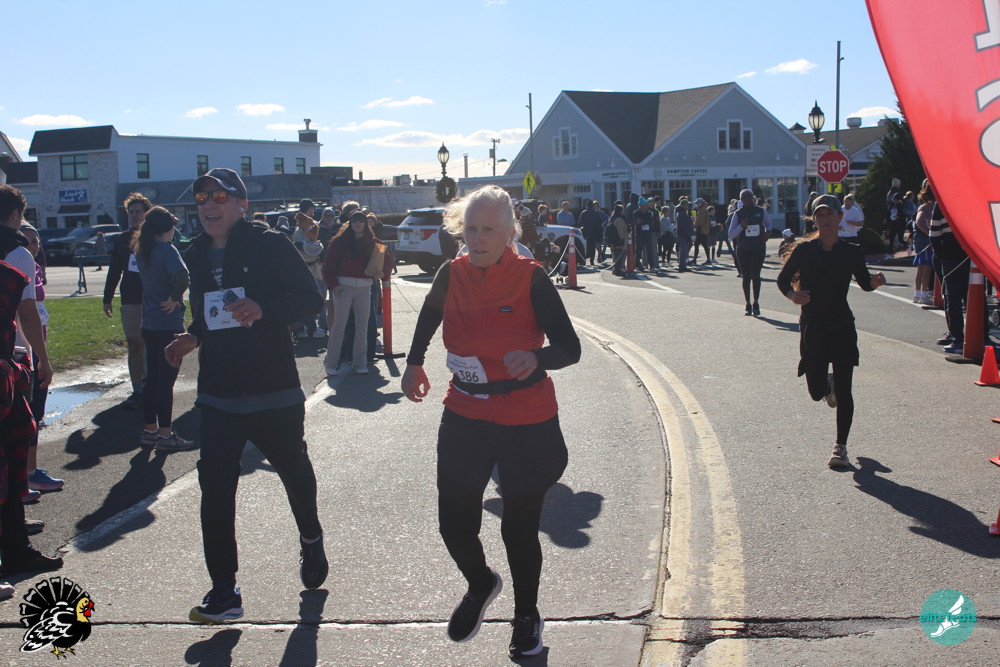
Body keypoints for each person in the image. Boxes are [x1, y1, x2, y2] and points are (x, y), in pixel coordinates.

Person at [401, 185, 580, 660]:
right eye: (471, 229)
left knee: (518, 529)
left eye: (488, 230)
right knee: (454, 523)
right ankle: (481, 583)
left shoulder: (531, 278)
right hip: (465, 410)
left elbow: (570, 348)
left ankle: (526, 615)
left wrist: (537, 357)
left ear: (508, 234)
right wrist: (413, 363)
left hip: (525, 417)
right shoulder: (451, 272)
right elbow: (429, 316)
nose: (477, 238)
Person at [163, 168, 327, 623]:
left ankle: (311, 538)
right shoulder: (195, 253)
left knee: (294, 472)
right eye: (202, 199)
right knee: (215, 489)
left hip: (273, 388)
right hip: (219, 393)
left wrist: (263, 308)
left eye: (220, 197)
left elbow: (310, 299)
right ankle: (224, 591)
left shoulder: (270, 244)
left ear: (242, 205)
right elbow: (210, 313)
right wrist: (193, 336)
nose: (209, 206)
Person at [776, 194, 886, 469]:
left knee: (846, 391)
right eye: (820, 215)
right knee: (815, 392)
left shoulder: (851, 252)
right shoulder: (805, 250)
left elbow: (864, 282)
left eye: (829, 214)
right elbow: (782, 279)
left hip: (841, 326)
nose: (825, 219)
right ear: (814, 219)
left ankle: (841, 447)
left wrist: (874, 282)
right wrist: (792, 295)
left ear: (840, 217)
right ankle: (827, 385)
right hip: (813, 327)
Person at [0, 185, 62, 583]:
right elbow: (26, 312)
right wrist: (42, 358)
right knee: (10, 456)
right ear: (16, 214)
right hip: (9, 364)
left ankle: (16, 545)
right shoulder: (18, 251)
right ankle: (16, 550)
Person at [132, 207, 194, 452]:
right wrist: (174, 297)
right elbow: (183, 276)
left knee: (152, 379)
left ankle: (150, 430)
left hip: (148, 322)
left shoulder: (142, 249)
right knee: (166, 382)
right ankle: (167, 435)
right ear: (167, 229)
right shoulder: (168, 251)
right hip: (168, 322)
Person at [18, 224, 65, 496]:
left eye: (36, 241)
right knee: (31, 411)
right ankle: (28, 473)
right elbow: (26, 313)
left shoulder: (34, 268)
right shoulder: (20, 266)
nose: (33, 246)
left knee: (37, 411)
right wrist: (40, 357)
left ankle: (29, 470)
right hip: (26, 348)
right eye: (27, 241)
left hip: (37, 344)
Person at [321, 210, 392, 375]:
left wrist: (383, 273)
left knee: (362, 326)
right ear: (350, 223)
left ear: (366, 223)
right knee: (339, 325)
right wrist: (334, 286)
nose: (358, 223)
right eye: (355, 220)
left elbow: (387, 260)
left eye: (361, 220)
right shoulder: (339, 242)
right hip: (343, 288)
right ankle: (331, 362)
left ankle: (360, 362)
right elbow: (328, 266)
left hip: (364, 288)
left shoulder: (373, 242)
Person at [104, 193, 150, 410]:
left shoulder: (155, 236)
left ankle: (152, 385)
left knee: (151, 344)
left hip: (152, 299)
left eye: (138, 211)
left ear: (146, 213)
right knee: (134, 343)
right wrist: (107, 298)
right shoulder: (122, 240)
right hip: (130, 298)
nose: (134, 215)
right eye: (131, 212)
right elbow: (114, 270)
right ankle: (137, 389)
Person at [729, 189, 771, 316]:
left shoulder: (761, 211)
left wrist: (767, 233)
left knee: (756, 275)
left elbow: (768, 224)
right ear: (741, 200)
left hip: (758, 247)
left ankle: (756, 303)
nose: (747, 199)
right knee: (746, 276)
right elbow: (731, 234)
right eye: (744, 197)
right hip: (743, 249)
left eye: (749, 196)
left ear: (753, 198)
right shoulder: (738, 214)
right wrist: (741, 226)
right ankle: (748, 304)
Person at [292, 199, 324, 339]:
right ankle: (311, 328)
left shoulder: (298, 229)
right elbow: (312, 248)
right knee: (312, 297)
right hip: (310, 267)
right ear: (309, 209)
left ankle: (305, 328)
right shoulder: (309, 226)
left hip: (300, 268)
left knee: (304, 298)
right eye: (312, 208)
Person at [912, 186, 935, 305]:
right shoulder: (926, 207)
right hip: (925, 241)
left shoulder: (926, 206)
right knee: (926, 268)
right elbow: (919, 221)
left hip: (921, 240)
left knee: (921, 268)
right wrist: (929, 233)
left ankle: (918, 294)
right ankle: (924, 295)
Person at [579, 201, 604, 266]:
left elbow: (580, 223)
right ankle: (592, 261)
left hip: (585, 233)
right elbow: (599, 223)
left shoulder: (583, 213)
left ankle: (584, 260)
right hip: (594, 232)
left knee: (585, 247)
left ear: (586, 206)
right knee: (592, 248)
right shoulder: (596, 213)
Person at [691, 198, 713, 265]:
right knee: (702, 245)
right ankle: (706, 259)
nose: (696, 204)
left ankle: (697, 259)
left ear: (701, 203)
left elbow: (700, 221)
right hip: (703, 230)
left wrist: (694, 225)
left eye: (697, 203)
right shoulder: (702, 209)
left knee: (699, 244)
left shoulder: (702, 210)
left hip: (702, 230)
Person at [607, 204, 628, 276]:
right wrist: (622, 240)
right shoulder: (619, 220)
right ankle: (619, 270)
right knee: (621, 256)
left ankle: (615, 270)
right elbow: (620, 231)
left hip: (614, 241)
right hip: (620, 240)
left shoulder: (612, 218)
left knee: (616, 255)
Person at [675, 200, 694, 272]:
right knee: (683, 251)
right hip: (683, 235)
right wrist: (688, 235)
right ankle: (682, 266)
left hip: (682, 234)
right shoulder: (682, 214)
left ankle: (683, 265)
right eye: (687, 205)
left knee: (684, 251)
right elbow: (684, 226)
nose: (688, 206)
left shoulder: (682, 213)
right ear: (683, 205)